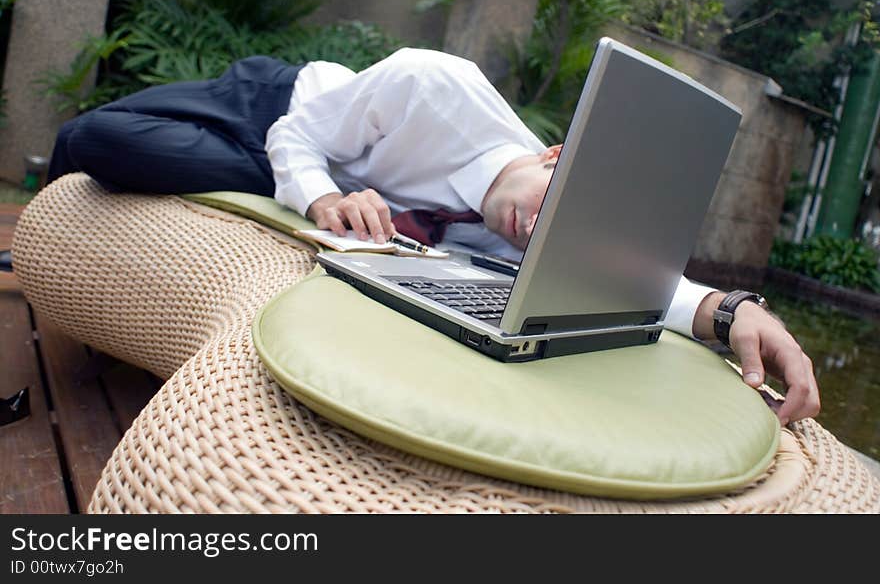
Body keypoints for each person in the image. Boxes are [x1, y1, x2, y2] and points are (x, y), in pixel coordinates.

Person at [34, 47, 819, 425]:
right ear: (553, 154)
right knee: (98, 138)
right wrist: (327, 196)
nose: (536, 227)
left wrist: (734, 311)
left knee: (136, 152)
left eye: (561, 225)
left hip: (269, 165)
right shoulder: (434, 84)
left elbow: (635, 277)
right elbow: (297, 141)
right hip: (279, 113)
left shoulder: (528, 231)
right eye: (552, 199)